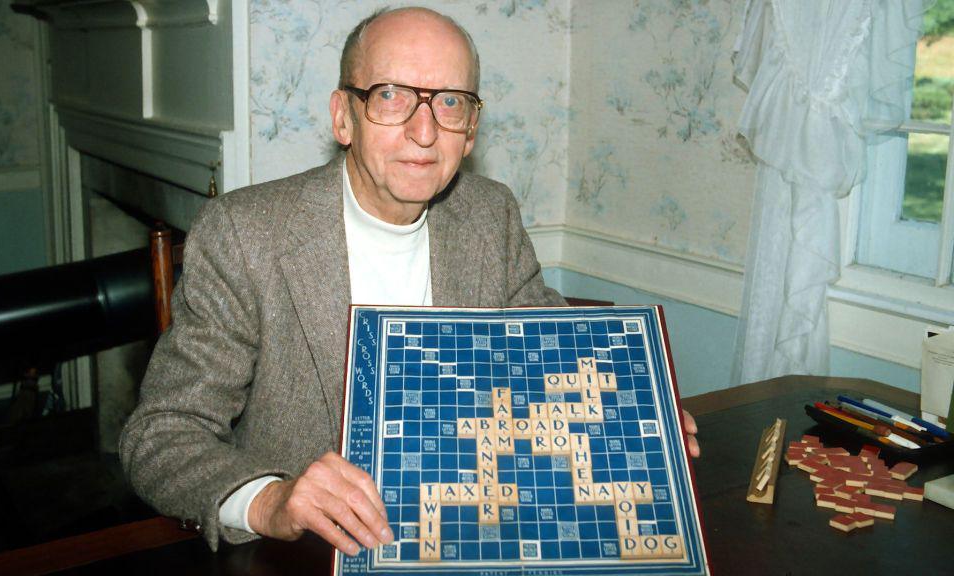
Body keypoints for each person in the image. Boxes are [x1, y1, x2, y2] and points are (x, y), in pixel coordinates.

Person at [120, 6, 699, 556]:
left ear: (471, 130)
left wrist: (633, 402)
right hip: (310, 557)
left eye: (449, 102)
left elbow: (547, 343)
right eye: (391, 95)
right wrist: (273, 500)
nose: (425, 131)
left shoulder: (489, 214)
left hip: (469, 531)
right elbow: (162, 433)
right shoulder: (246, 234)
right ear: (343, 116)